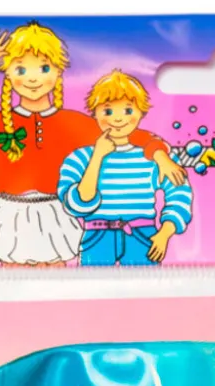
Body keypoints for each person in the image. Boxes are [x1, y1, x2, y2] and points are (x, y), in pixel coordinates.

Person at [0, 24, 186, 267]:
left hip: (54, 211)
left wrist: (159, 154)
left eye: (44, 68)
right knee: (10, 273)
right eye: (21, 69)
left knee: (58, 276)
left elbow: (125, 134)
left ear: (57, 72)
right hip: (9, 212)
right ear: (7, 73)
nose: (32, 78)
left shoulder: (74, 123)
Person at [59, 71, 193, 266]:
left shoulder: (156, 158)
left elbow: (179, 194)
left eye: (128, 111)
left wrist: (165, 233)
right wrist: (97, 157)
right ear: (94, 113)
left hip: (142, 235)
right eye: (108, 111)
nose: (118, 119)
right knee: (91, 283)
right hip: (96, 237)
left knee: (149, 284)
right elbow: (77, 205)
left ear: (140, 112)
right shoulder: (79, 159)